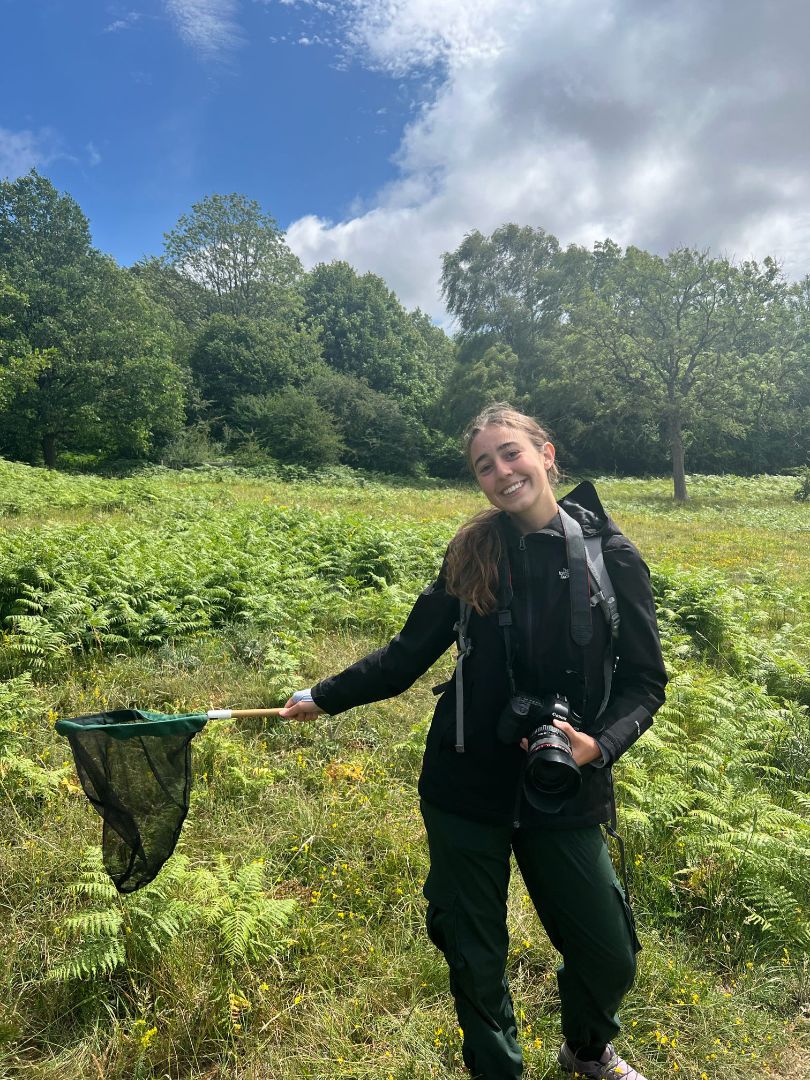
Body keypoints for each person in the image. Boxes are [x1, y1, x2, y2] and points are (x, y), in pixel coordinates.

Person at [282, 404, 667, 1080]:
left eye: (511, 453)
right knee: (474, 954)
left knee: (610, 953)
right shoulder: (472, 554)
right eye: (484, 465)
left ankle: (586, 1048)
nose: (501, 471)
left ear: (546, 454)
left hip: (563, 781)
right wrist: (325, 695)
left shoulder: (611, 557)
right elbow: (406, 655)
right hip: (463, 784)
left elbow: (645, 682)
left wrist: (598, 746)